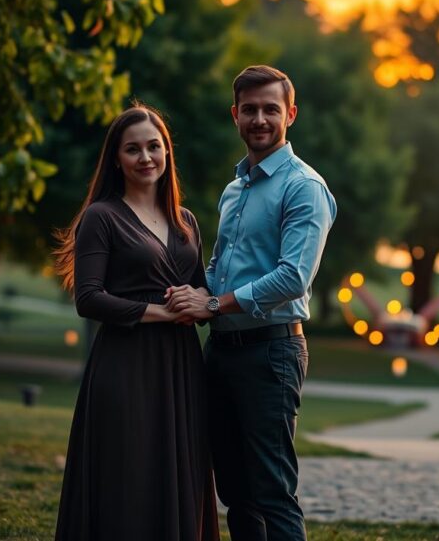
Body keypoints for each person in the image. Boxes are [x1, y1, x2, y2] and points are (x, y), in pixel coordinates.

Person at [166, 65, 337, 541]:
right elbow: (222, 263)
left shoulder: (304, 188)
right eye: (250, 110)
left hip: (270, 353)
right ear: (235, 115)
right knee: (235, 493)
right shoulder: (234, 189)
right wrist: (192, 295)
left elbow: (293, 277)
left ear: (291, 115)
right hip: (221, 353)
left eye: (271, 109)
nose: (260, 119)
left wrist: (214, 305)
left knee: (272, 492)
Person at [51, 103, 218, 541]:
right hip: (126, 365)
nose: (146, 158)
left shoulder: (187, 222)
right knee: (129, 476)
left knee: (176, 471)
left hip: (181, 368)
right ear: (116, 159)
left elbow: (202, 290)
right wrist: (163, 312)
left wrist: (204, 300)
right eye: (133, 149)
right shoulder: (101, 217)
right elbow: (88, 298)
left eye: (154, 146)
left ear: (167, 153)